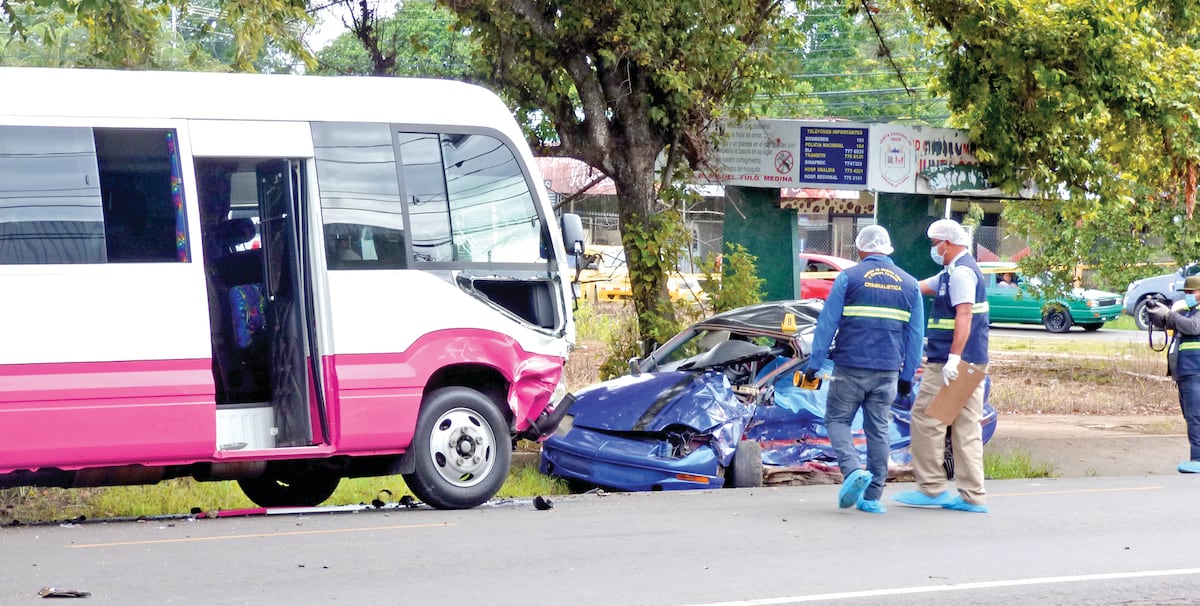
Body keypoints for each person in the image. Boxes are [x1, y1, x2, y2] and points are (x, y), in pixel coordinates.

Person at [802, 225, 924, 514]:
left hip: (850, 366)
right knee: (879, 429)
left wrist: (814, 364)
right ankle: (872, 498)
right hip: (888, 371)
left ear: (860, 249)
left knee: (837, 420)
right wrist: (907, 376)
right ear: (888, 249)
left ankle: (853, 469)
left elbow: (827, 323)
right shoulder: (910, 284)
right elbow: (915, 335)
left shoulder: (849, 277)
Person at [893, 218, 990, 513]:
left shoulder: (961, 274)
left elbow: (964, 316)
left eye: (936, 244)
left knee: (925, 419)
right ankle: (972, 496)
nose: (934, 250)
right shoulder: (952, 273)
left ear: (948, 243)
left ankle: (932, 488)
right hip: (972, 362)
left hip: (952, 364)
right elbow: (918, 287)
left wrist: (953, 358)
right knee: (964, 426)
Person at [1146, 277, 1200, 473]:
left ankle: (1198, 459)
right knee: (1191, 415)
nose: (1188, 296)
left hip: (1195, 370)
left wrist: (1169, 313)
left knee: (1196, 416)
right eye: (1186, 292)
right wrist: (1157, 313)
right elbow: (1172, 324)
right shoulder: (1187, 311)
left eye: (1192, 292)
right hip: (1185, 371)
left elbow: (1193, 327)